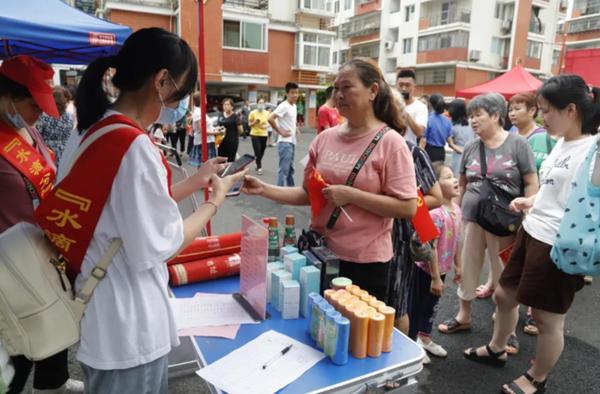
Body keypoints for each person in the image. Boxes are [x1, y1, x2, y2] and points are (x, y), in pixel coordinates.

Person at [35, 28, 244, 394]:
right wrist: (215, 200)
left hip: (98, 311)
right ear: (161, 81)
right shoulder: (134, 147)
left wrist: (196, 181)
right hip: (129, 328)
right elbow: (162, 243)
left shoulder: (93, 131)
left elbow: (125, 213)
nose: (182, 102)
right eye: (183, 90)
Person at [463, 75, 600, 394]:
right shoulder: (563, 141)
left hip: (557, 242)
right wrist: (532, 200)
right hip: (531, 229)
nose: (542, 118)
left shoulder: (594, 149)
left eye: (546, 111)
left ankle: (538, 376)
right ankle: (497, 349)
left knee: (546, 319)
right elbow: (556, 189)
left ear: (571, 109)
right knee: (503, 294)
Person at [244, 58, 417, 301]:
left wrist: (351, 196)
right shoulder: (324, 139)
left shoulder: (391, 143)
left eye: (347, 87)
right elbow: (308, 194)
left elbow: (408, 206)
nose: (339, 95)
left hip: (365, 263)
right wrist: (263, 189)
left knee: (356, 336)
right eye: (336, 88)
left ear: (373, 91)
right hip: (319, 254)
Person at [0, 55, 83, 393]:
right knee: (17, 334)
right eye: (34, 104)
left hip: (41, 242)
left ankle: (54, 381)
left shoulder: (29, 128)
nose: (40, 113)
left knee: (52, 310)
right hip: (8, 257)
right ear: (7, 97)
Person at [438, 94, 538, 355]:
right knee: (469, 268)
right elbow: (463, 182)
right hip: (472, 218)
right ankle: (464, 316)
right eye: (470, 115)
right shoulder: (471, 146)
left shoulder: (518, 144)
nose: (472, 120)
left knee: (506, 275)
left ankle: (508, 332)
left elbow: (530, 180)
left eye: (478, 115)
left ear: (496, 115)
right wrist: (457, 213)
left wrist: (527, 206)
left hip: (505, 221)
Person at [408, 164, 462, 364]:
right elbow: (431, 248)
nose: (455, 180)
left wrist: (458, 265)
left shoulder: (456, 209)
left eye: (453, 175)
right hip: (427, 271)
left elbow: (457, 240)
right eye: (448, 177)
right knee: (418, 305)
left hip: (443, 269)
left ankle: (425, 338)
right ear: (436, 186)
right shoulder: (435, 214)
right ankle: (413, 343)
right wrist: (435, 277)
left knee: (432, 306)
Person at [269, 82, 300, 187]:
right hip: (285, 143)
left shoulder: (294, 106)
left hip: (292, 142)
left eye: (296, 93)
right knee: (284, 169)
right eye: (292, 93)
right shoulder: (284, 106)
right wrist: (280, 131)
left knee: (291, 169)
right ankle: (280, 192)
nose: (295, 95)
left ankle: (291, 189)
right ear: (287, 93)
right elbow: (270, 118)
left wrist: (296, 129)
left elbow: (290, 121)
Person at [36, 86, 75, 168]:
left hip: (47, 153)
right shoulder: (70, 116)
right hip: (65, 152)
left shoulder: (44, 115)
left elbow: (37, 136)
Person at [396, 69, 428, 145]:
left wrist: (404, 112)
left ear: (414, 86)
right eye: (401, 85)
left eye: (407, 85)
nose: (403, 88)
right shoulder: (389, 103)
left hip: (408, 150)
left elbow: (419, 132)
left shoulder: (421, 107)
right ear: (396, 85)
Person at [447, 99, 475, 176]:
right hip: (472, 154)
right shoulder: (471, 123)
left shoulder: (451, 126)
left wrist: (461, 150)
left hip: (458, 155)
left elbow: (450, 144)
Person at [422, 94, 452, 163]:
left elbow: (423, 139)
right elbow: (450, 141)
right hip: (441, 152)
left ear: (430, 104)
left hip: (429, 150)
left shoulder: (427, 118)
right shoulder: (447, 120)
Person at [216, 98, 242, 162]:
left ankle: (229, 172)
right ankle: (221, 172)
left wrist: (234, 135)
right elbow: (218, 125)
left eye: (227, 105)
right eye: (224, 105)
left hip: (232, 141)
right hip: (221, 140)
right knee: (221, 160)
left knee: (230, 160)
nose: (225, 106)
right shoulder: (220, 115)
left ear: (232, 106)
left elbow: (241, 130)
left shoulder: (235, 116)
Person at [248, 98, 270, 175]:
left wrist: (266, 126)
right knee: (257, 151)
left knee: (262, 151)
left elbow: (269, 123)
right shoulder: (252, 113)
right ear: (257, 104)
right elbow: (249, 124)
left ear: (264, 104)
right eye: (259, 103)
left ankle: (257, 160)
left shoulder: (267, 113)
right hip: (254, 134)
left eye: (262, 103)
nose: (261, 104)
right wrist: (255, 122)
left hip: (264, 134)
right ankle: (259, 167)